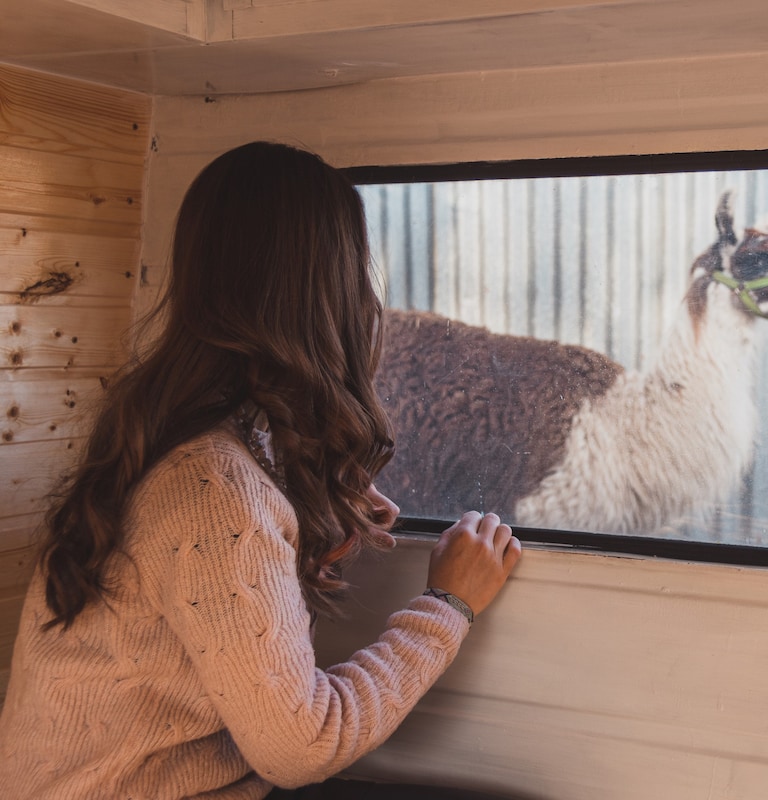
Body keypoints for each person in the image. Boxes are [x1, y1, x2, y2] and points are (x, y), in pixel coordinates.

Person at [0, 141, 522, 799]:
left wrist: (317, 514)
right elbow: (302, 749)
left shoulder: (181, 438)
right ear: (328, 289)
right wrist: (448, 604)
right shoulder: (212, 487)